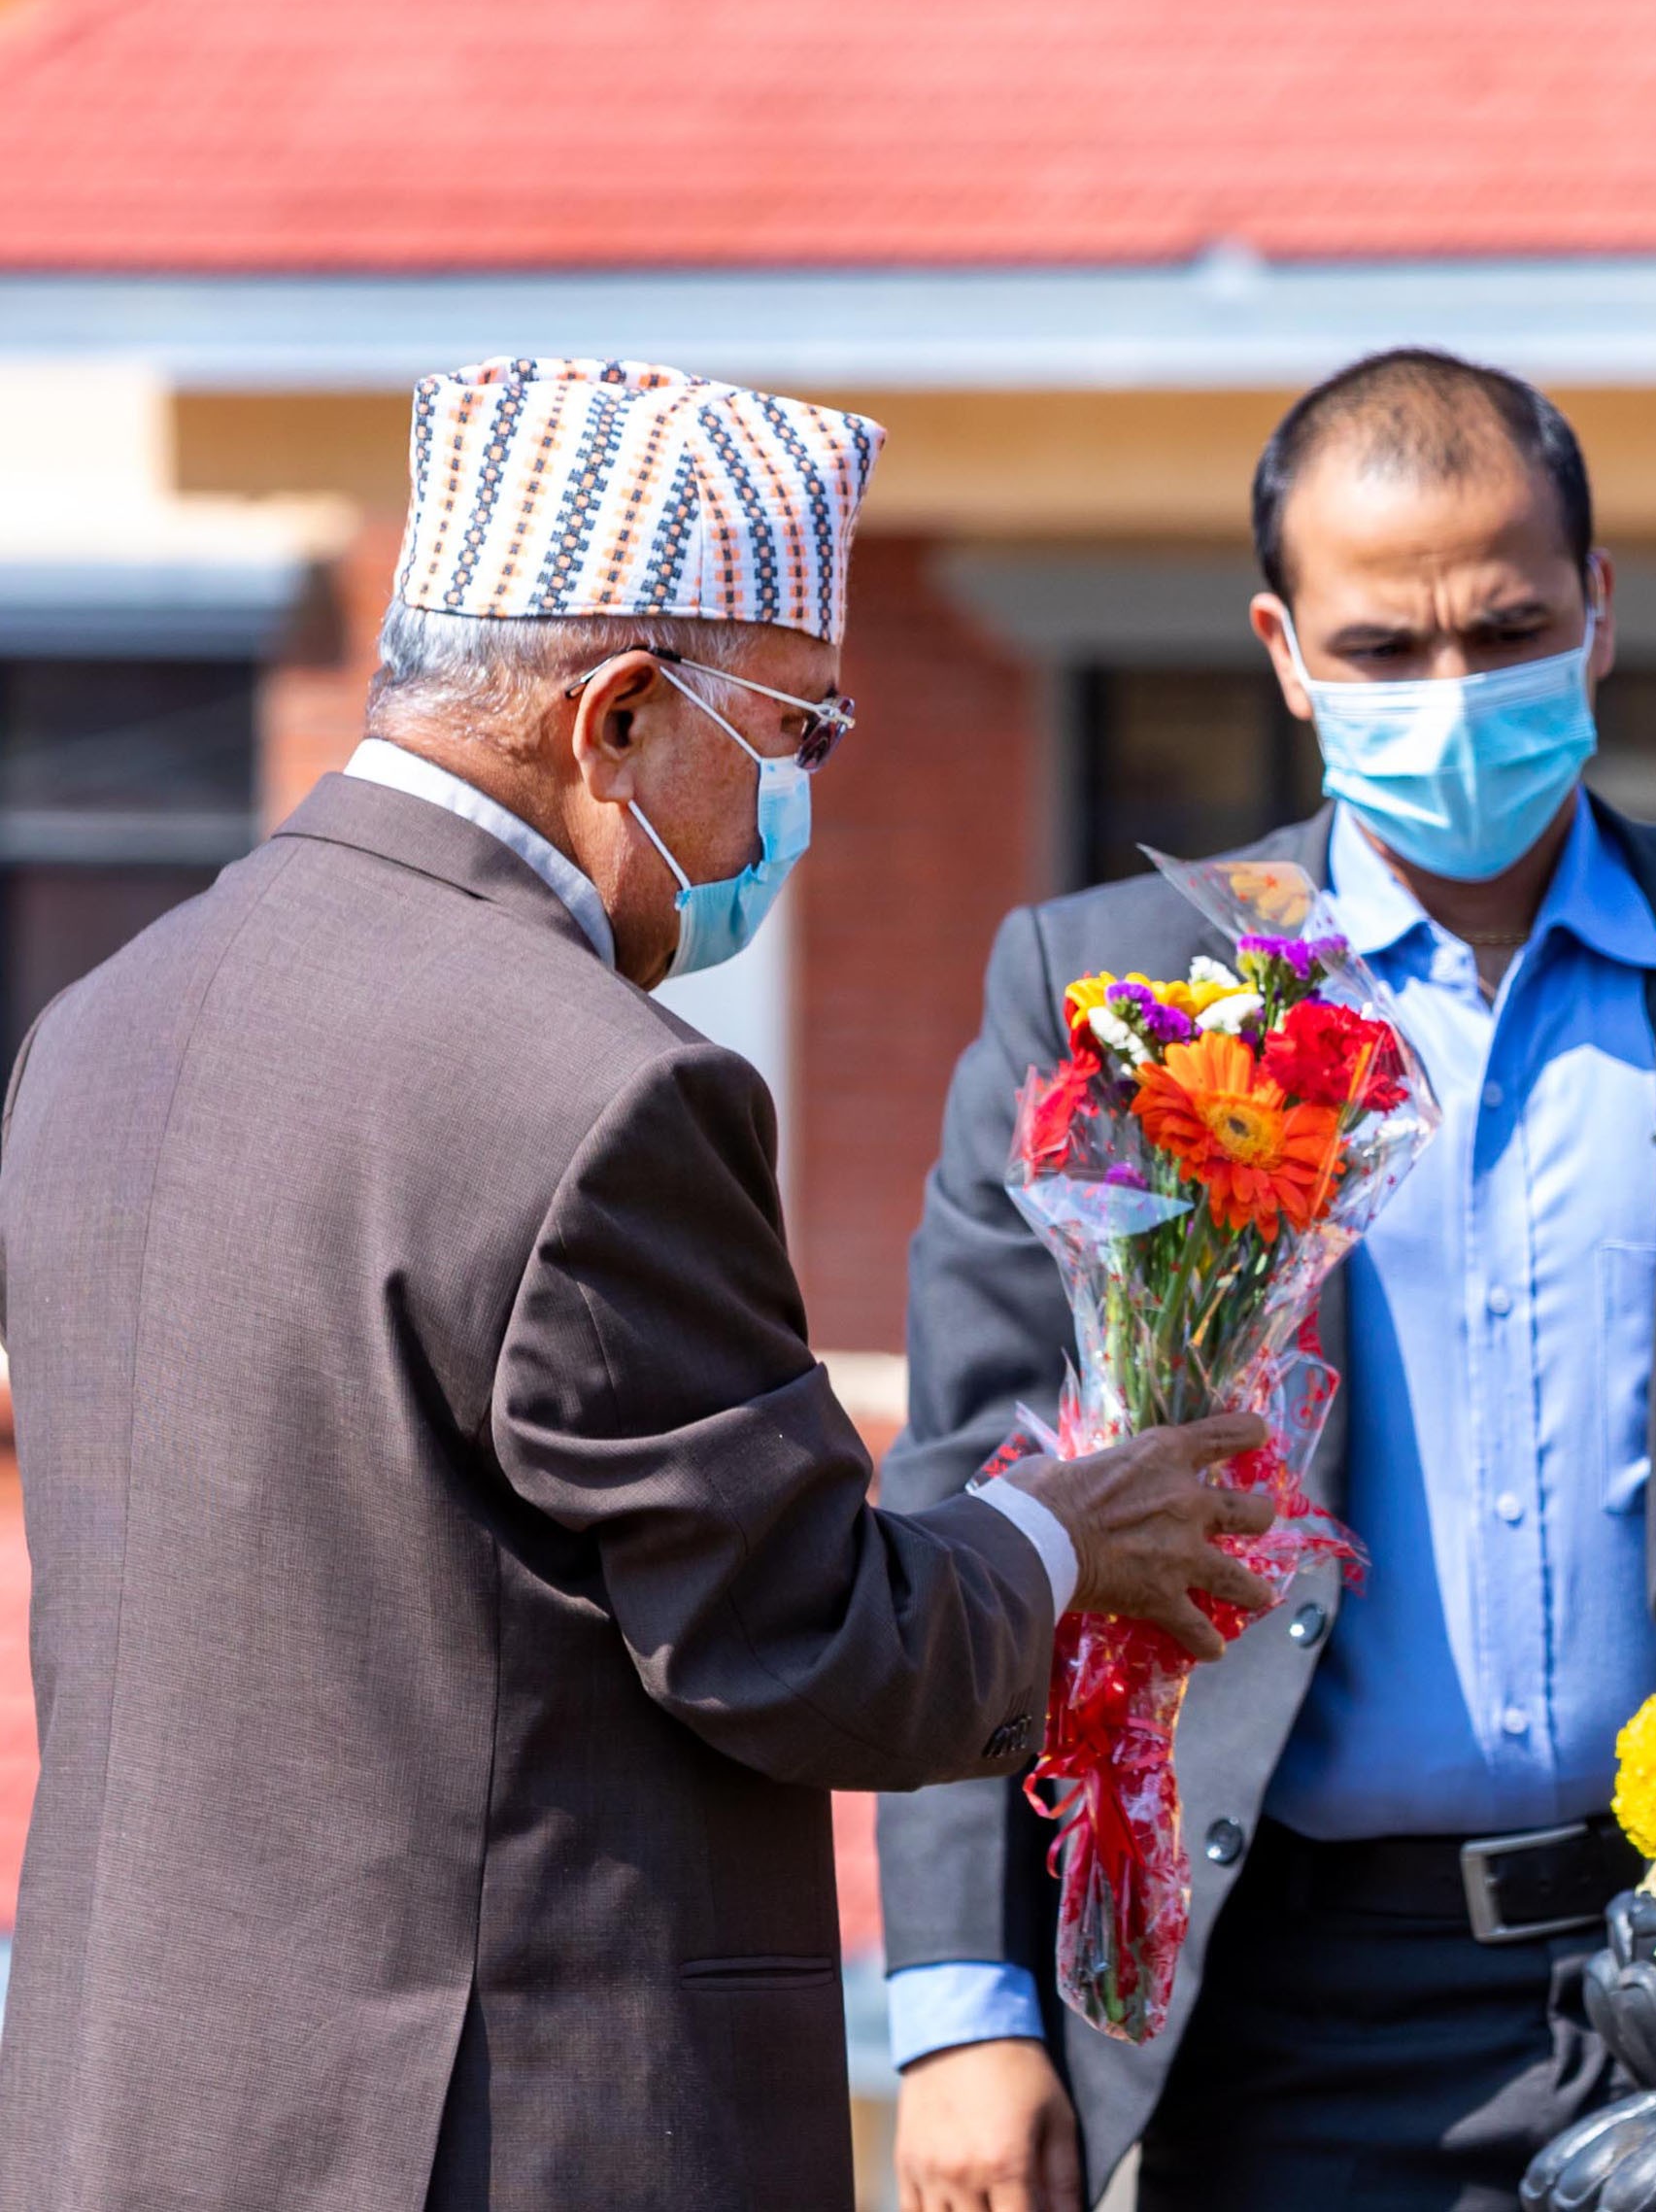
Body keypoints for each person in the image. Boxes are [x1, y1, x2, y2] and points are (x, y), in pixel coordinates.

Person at [0, 358, 1274, 2212]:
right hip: (507, 2129)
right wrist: (1065, 1539)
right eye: (801, 731)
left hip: (134, 2112)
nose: (801, 797)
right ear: (613, 713)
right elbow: (802, 1638)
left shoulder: (99, 1021)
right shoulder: (602, 1084)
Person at [880, 346, 1656, 2212]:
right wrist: (961, 2003)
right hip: (1292, 1999)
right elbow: (969, 1502)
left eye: (1505, 628)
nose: (1452, 692)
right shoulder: (1117, 993)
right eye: (1385, 650)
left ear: (1598, 610)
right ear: (1284, 647)